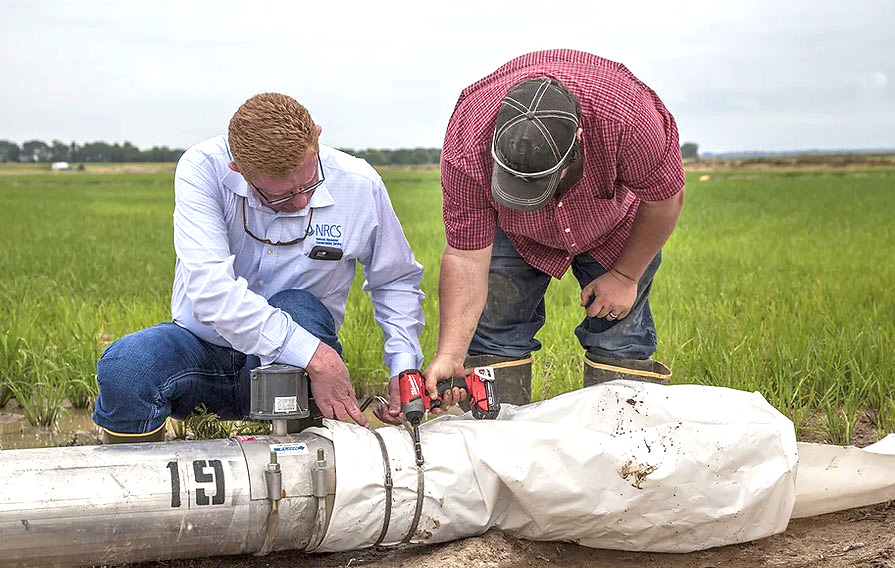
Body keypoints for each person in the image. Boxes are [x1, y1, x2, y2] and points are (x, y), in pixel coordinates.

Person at [93, 93, 424, 442]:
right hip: (203, 350)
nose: (300, 202)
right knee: (125, 369)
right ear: (239, 170)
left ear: (317, 137)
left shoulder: (360, 184)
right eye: (280, 196)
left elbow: (395, 280)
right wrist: (316, 355)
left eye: (309, 184)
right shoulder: (203, 168)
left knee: (298, 306)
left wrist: (403, 368)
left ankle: (305, 456)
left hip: (294, 370)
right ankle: (144, 481)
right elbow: (213, 295)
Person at [422, 49, 686, 409]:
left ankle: (625, 451)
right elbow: (466, 257)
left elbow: (664, 198)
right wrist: (451, 353)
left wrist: (625, 276)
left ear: (578, 139)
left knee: (620, 335)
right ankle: (497, 446)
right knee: (496, 333)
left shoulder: (627, 118)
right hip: (512, 229)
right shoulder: (469, 139)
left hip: (609, 219)